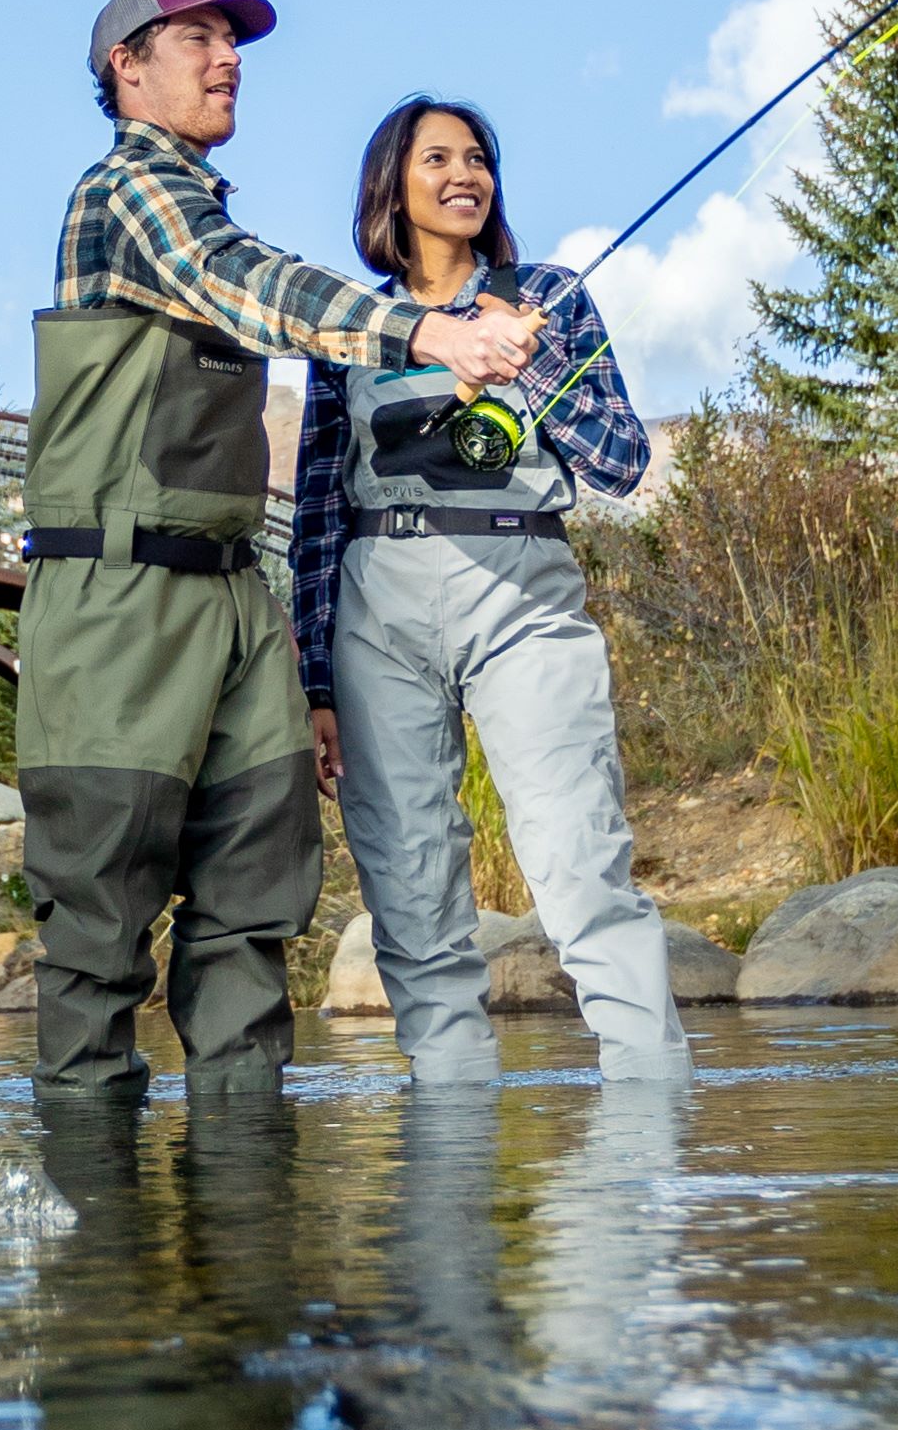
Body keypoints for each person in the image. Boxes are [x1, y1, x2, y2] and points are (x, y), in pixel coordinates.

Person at [26, 0, 543, 1109]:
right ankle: (92, 1205)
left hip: (232, 591)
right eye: (197, 37)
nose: (228, 57)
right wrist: (426, 330)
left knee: (255, 896)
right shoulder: (129, 192)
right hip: (112, 598)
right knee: (100, 916)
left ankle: (245, 1177)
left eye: (233, 39)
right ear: (126, 67)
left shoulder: (199, 201)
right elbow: (239, 282)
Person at [290, 98, 684, 1080]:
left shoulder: (550, 295)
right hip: (379, 608)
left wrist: (534, 364)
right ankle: (448, 1116)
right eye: (438, 157)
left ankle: (650, 1107)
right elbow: (318, 508)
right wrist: (315, 682)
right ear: (392, 183)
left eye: (478, 158)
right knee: (409, 883)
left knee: (579, 858)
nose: (465, 173)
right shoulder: (351, 328)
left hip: (526, 598)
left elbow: (623, 461)